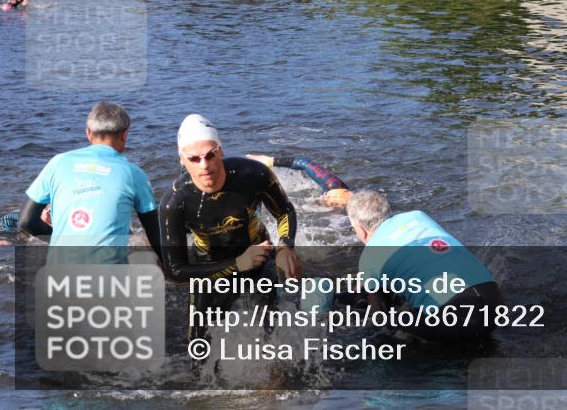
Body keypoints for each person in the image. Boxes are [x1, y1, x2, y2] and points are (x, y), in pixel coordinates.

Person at [159, 114, 302, 340]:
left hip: (259, 255)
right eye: (194, 159)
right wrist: (237, 264)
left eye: (210, 155)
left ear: (221, 150)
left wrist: (285, 246)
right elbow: (176, 271)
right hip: (209, 268)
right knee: (198, 345)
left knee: (270, 334)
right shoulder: (175, 202)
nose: (204, 165)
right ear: (181, 159)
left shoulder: (253, 174)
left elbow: (284, 211)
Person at [18, 102, 162, 264]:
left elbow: (26, 221)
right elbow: (155, 234)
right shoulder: (134, 174)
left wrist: (56, 235)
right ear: (125, 135)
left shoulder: (57, 163)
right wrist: (173, 270)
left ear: (88, 133)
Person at [347, 190, 503, 339]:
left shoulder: (369, 257)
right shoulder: (418, 216)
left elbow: (378, 313)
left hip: (452, 316)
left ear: (361, 230)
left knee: (389, 329)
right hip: (494, 302)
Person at [245, 154, 351, 207]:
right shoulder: (334, 185)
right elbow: (304, 163)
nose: (324, 196)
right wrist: (269, 161)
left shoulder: (334, 188)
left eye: (326, 198)